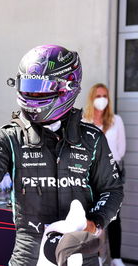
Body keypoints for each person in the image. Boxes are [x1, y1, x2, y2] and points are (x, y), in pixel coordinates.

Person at [0, 44, 124, 265]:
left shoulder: (92, 138)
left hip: (81, 254)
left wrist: (93, 223)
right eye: (27, 86)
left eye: (40, 87)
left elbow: (112, 190)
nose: (33, 94)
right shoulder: (9, 137)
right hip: (28, 256)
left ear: (66, 87)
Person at [83, 83, 126, 266]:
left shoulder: (116, 120)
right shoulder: (84, 121)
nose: (102, 99)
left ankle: (115, 257)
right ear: (92, 98)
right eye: (98, 95)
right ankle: (96, 256)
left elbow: (121, 149)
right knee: (93, 213)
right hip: (90, 172)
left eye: (105, 96)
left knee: (114, 215)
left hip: (113, 171)